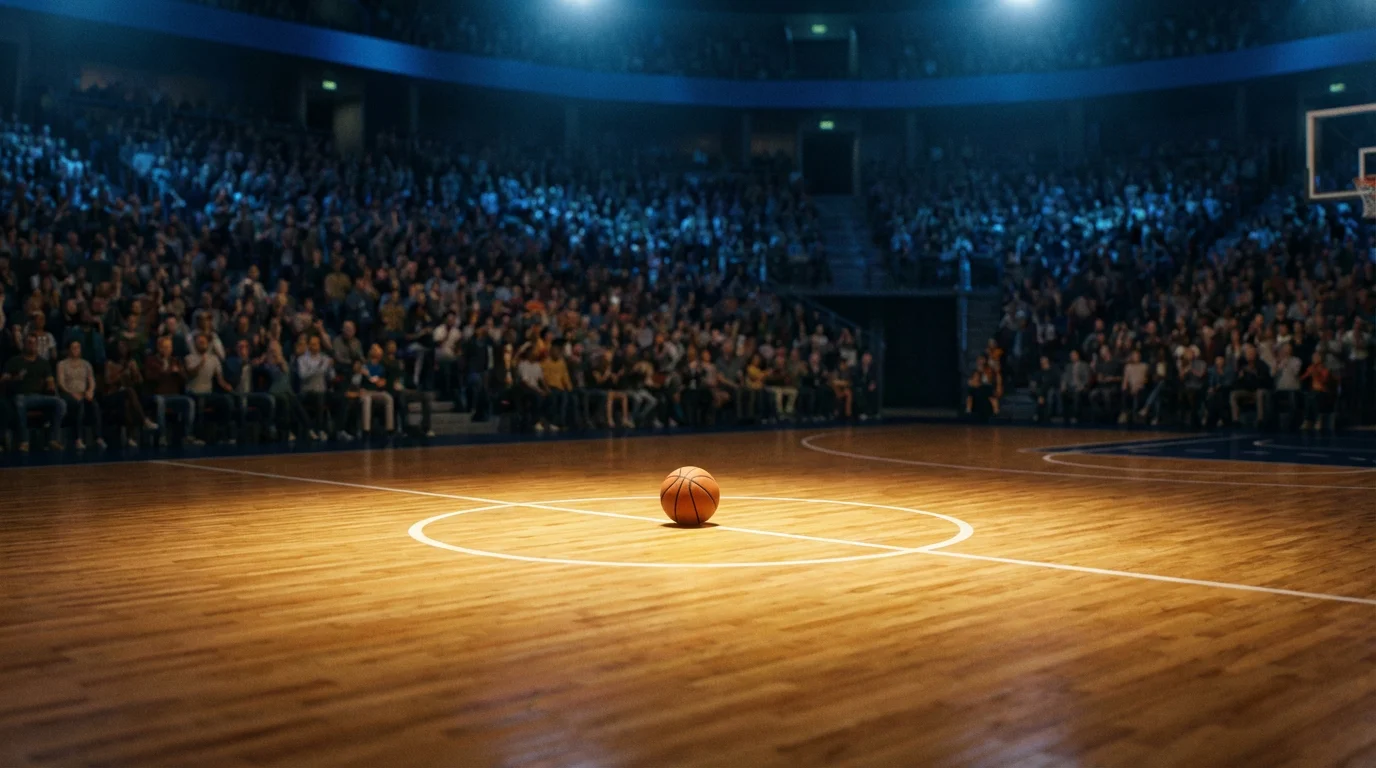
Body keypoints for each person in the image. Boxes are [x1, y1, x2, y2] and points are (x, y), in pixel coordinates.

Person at [5, 334, 65, 451]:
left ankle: (53, 439)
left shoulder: (43, 363)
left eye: (34, 343)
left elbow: (50, 381)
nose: (32, 345)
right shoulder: (14, 361)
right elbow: (3, 379)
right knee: (20, 402)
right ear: (24, 345)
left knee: (60, 403)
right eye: (29, 343)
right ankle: (24, 441)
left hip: (39, 396)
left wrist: (51, 386)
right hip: (21, 396)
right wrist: (16, 378)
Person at [145, 336, 199, 446]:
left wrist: (179, 372)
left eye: (169, 347)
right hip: (157, 395)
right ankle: (162, 436)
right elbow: (149, 378)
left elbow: (184, 380)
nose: (167, 350)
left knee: (189, 402)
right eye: (165, 347)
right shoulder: (151, 360)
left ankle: (187, 435)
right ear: (159, 348)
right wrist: (166, 371)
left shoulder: (175, 361)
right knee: (160, 402)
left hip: (173, 395)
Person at [186, 333, 235, 443]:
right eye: (199, 342)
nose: (202, 344)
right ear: (195, 344)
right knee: (200, 402)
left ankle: (222, 434)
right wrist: (201, 363)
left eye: (204, 342)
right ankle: (198, 436)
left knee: (226, 401)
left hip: (208, 393)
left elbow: (220, 380)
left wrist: (227, 387)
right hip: (193, 393)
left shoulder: (214, 359)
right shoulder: (189, 358)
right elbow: (191, 374)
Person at [57, 340, 103, 450]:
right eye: (73, 347)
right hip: (68, 393)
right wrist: (72, 393)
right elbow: (61, 383)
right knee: (79, 404)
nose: (76, 350)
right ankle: (79, 438)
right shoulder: (62, 364)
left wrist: (90, 391)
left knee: (94, 405)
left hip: (83, 392)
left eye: (78, 347)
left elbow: (91, 380)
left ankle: (98, 437)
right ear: (69, 350)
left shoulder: (86, 364)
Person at [358, 343, 395, 438]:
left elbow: (384, 381)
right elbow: (360, 381)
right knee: (367, 400)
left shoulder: (383, 366)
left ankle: (389, 429)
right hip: (366, 391)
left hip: (378, 391)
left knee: (388, 398)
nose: (375, 350)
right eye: (373, 349)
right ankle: (366, 431)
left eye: (377, 349)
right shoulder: (365, 365)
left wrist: (383, 383)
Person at [1300, 350, 1336, 432]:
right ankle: (1308, 420)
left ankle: (1315, 420)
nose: (1314, 359)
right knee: (1309, 396)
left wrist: (1316, 373)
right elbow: (1302, 378)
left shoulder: (1325, 369)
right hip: (1313, 393)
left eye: (1316, 357)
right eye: (1313, 357)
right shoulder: (1311, 367)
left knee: (1313, 396)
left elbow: (1324, 381)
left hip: (1324, 393)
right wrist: (1308, 373)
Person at [1029, 355, 1061, 423]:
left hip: (1050, 391)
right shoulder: (1038, 373)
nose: (1043, 364)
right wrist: (1039, 395)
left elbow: (1054, 384)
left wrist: (1041, 395)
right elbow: (1033, 383)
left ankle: (1046, 417)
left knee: (1050, 393)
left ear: (1047, 362)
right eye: (1041, 363)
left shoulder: (1053, 372)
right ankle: (1037, 416)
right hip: (1039, 392)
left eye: (1044, 362)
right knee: (1036, 391)